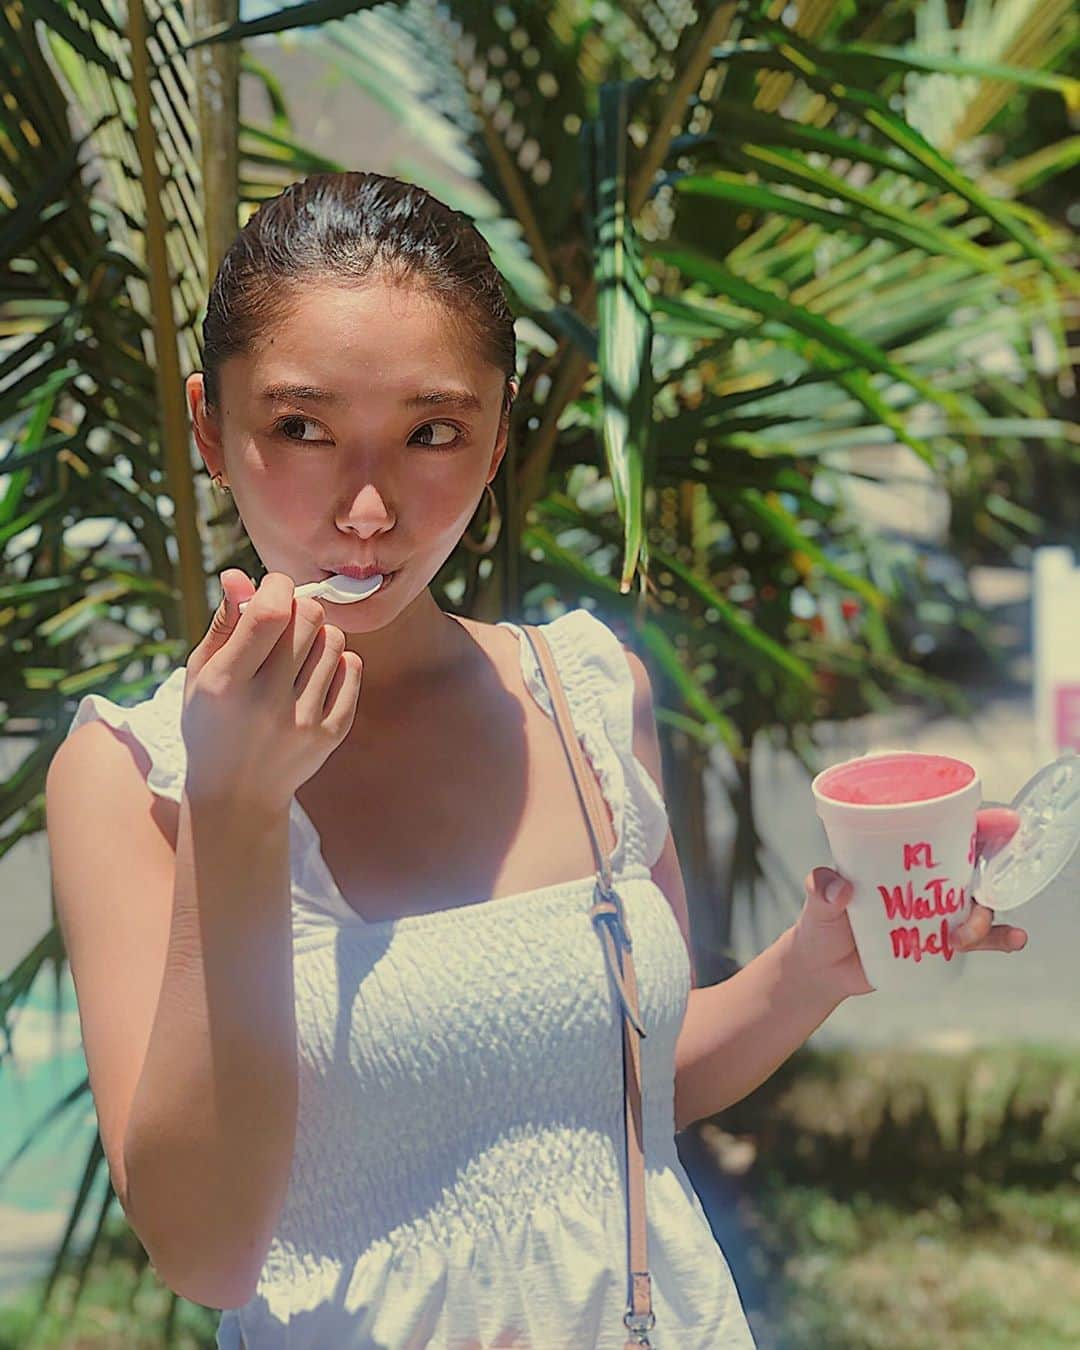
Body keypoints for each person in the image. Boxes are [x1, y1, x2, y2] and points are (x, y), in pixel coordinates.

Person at [44, 171, 1028, 1349]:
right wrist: (237, 809)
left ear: (500, 431)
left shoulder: (587, 693)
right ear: (211, 425)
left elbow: (624, 1088)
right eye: (301, 427)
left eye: (432, 432)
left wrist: (818, 961)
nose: (367, 507)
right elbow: (204, 1252)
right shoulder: (132, 775)